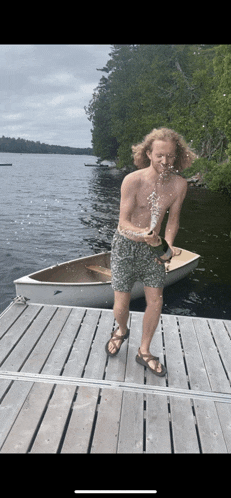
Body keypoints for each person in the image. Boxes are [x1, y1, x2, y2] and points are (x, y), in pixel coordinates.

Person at [105, 127, 196, 376]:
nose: (165, 162)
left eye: (170, 156)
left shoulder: (179, 184)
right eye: (159, 156)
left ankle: (144, 351)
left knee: (155, 301)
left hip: (154, 249)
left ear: (176, 156)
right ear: (148, 153)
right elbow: (123, 222)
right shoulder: (133, 180)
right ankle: (122, 330)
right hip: (125, 245)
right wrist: (143, 234)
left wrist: (166, 246)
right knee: (121, 305)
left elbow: (173, 220)